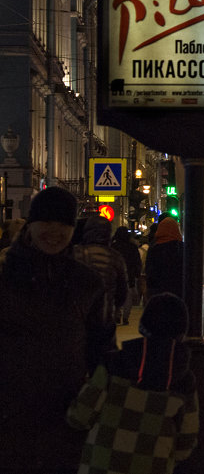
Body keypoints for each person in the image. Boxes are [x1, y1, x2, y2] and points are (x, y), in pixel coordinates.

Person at [0, 186, 107, 474]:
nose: (55, 231)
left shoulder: (86, 283)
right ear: (31, 224)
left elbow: (101, 348)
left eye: (63, 224)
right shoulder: (5, 275)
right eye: (46, 222)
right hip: (10, 412)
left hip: (67, 412)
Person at [68, 293, 198, 474]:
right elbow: (186, 443)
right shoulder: (183, 382)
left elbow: (80, 415)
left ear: (142, 327)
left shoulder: (113, 364)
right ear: (182, 334)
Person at [73, 215, 129, 337]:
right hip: (105, 316)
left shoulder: (76, 253)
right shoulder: (115, 257)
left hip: (77, 317)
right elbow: (122, 292)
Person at [145, 216, 183, 300]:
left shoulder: (154, 248)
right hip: (178, 291)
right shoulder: (181, 248)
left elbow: (149, 271)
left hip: (158, 291)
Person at [111, 226, 142, 324]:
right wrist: (137, 273)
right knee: (127, 296)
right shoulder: (132, 247)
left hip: (115, 275)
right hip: (129, 275)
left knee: (115, 295)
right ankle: (125, 317)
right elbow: (137, 261)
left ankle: (117, 314)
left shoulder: (113, 246)